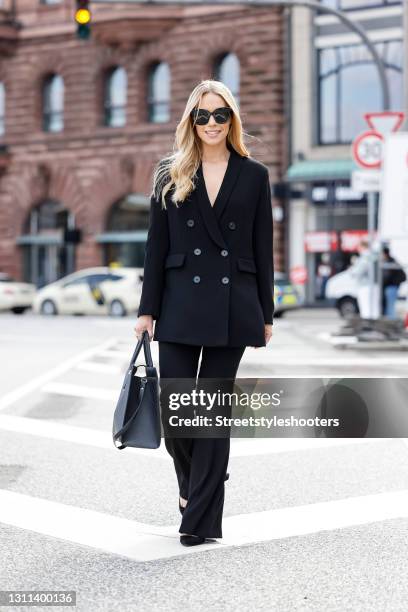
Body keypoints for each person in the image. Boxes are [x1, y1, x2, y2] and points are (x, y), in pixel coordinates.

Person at [133, 79, 274, 547]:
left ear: (231, 120)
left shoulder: (253, 175)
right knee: (176, 407)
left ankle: (200, 517)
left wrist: (266, 313)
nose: (211, 123)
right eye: (202, 115)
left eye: (220, 115)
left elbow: (263, 249)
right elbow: (157, 248)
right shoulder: (168, 173)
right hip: (177, 302)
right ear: (190, 121)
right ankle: (194, 487)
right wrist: (146, 310)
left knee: (211, 412)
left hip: (234, 304)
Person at [350, 237, 380, 319]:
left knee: (366, 308)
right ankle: (375, 327)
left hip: (365, 286)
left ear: (362, 246)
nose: (358, 249)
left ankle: (368, 328)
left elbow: (358, 272)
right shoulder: (375, 256)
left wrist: (352, 270)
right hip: (375, 285)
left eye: (358, 247)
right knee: (374, 308)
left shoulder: (365, 257)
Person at [381, 246, 407, 319]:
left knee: (390, 308)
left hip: (391, 287)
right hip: (389, 287)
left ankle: (391, 324)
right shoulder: (389, 261)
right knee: (388, 308)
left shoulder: (391, 262)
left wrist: (394, 283)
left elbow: (402, 276)